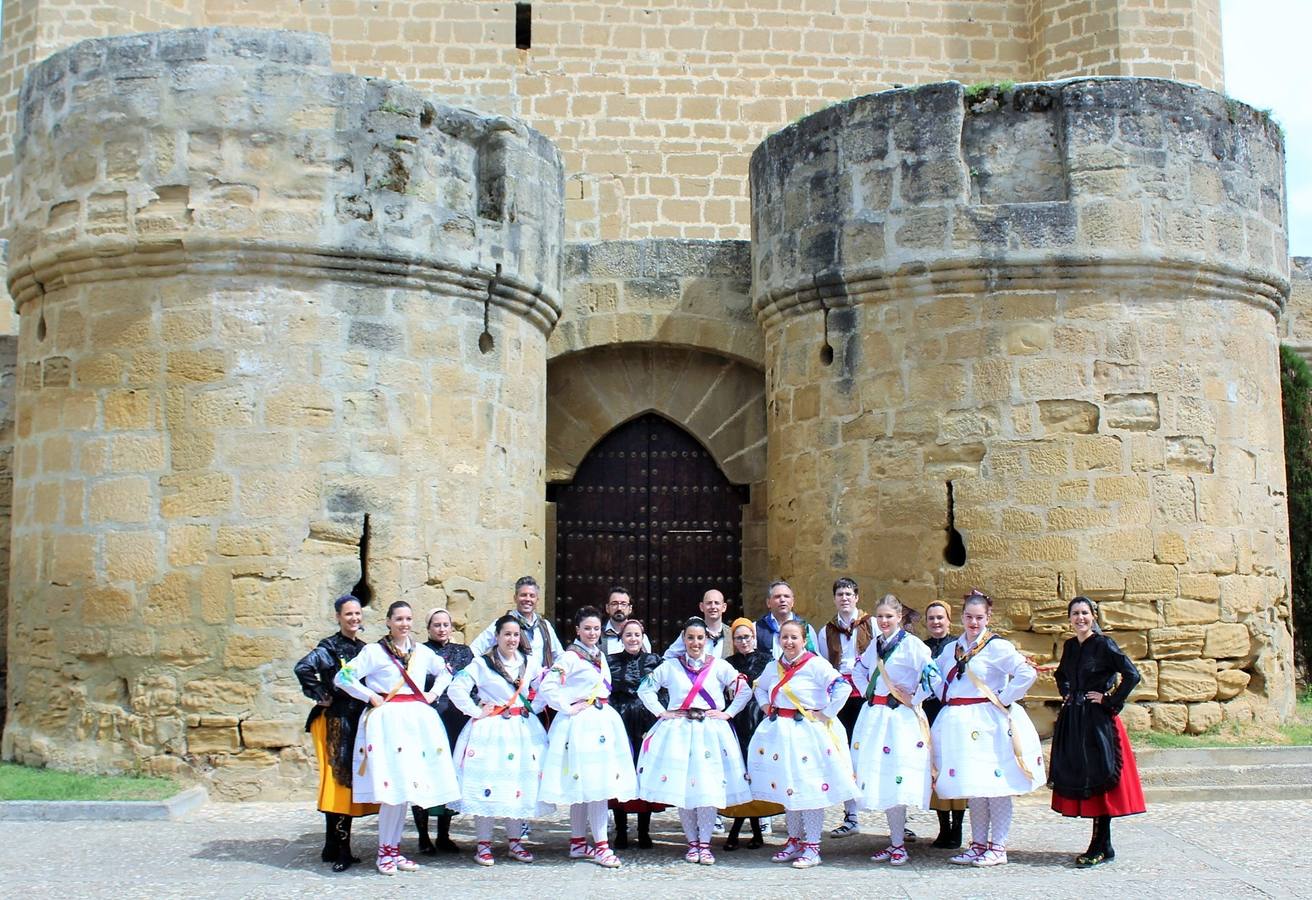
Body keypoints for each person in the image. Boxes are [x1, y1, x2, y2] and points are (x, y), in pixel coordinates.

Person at [335, 600, 462, 875]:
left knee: (404, 790)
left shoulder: (421, 652)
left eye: (408, 619)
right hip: (388, 722)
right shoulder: (374, 652)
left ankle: (394, 850)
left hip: (415, 722)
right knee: (391, 791)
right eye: (399, 619)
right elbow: (343, 678)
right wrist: (369, 695)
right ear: (388, 622)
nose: (404, 624)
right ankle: (385, 852)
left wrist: (433, 694)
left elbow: (446, 671)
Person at [929, 590, 1045, 868]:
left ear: (988, 617)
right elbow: (935, 676)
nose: (973, 623)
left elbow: (1026, 673)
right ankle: (978, 843)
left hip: (988, 721)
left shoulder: (997, 647)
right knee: (975, 785)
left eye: (979, 618)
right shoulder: (952, 648)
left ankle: (998, 846)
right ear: (962, 616)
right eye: (969, 617)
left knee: (996, 785)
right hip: (960, 722)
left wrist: (1003, 698)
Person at [636, 617, 753, 864]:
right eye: (690, 637)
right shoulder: (670, 666)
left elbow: (745, 690)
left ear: (706, 639)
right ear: (683, 638)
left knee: (707, 788)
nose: (695, 643)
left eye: (700, 638)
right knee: (684, 789)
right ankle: (692, 843)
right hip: (679, 732)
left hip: (710, 733)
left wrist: (728, 713)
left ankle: (705, 843)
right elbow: (645, 688)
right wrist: (661, 712)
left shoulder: (720, 666)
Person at [748, 619, 858, 869]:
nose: (788, 642)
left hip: (808, 735)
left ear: (803, 639)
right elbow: (759, 687)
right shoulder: (774, 667)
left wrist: (826, 713)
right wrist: (766, 706)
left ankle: (812, 846)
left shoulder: (816, 664)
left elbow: (842, 686)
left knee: (809, 790)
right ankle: (794, 841)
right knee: (789, 788)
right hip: (781, 734)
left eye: (793, 637)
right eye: (784, 637)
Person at [537, 605, 638, 869]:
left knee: (589, 784)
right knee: (593, 785)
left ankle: (578, 841)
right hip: (581, 725)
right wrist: (567, 706)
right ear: (577, 630)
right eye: (587, 629)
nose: (592, 633)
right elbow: (548, 685)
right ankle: (601, 846)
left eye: (595, 629)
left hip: (600, 721)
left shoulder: (599, 656)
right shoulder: (570, 657)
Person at [447, 614, 552, 866]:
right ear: (497, 637)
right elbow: (456, 688)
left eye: (516, 635)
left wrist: (534, 707)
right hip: (491, 731)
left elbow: (548, 687)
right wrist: (475, 711)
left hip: (522, 730)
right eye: (507, 634)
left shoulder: (530, 662)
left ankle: (515, 842)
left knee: (517, 784)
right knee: (489, 783)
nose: (512, 639)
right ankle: (483, 844)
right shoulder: (482, 664)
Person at [1049, 596, 1146, 867]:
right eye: (1075, 614)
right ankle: (1104, 845)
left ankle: (1100, 844)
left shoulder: (1104, 645)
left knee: (1100, 777)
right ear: (1069, 618)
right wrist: (1067, 693)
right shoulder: (1070, 645)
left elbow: (1132, 675)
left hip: (1097, 721)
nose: (1080, 618)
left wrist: (1110, 700)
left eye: (1084, 613)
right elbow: (1060, 675)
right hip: (1074, 719)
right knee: (1083, 776)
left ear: (1093, 616)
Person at [293, 594, 378, 872]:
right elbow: (303, 667)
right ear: (338, 617)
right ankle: (341, 849)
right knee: (339, 782)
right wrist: (320, 693)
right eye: (348, 614)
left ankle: (332, 845)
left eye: (357, 614)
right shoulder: (328, 648)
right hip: (336, 721)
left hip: (357, 719)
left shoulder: (365, 649)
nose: (354, 618)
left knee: (350, 780)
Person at [850, 594, 934, 866]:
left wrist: (915, 698)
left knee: (897, 775)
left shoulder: (912, 646)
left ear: (900, 617)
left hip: (900, 721)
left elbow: (933, 676)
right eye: (880, 616)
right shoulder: (874, 646)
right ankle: (894, 841)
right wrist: (868, 692)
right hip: (876, 717)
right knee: (882, 777)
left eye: (889, 616)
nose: (884, 621)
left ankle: (899, 844)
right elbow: (858, 671)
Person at [816, 577, 875, 838]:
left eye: (849, 593)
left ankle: (893, 814)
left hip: (868, 695)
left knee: (874, 751)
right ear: (834, 598)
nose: (844, 598)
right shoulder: (825, 631)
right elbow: (826, 667)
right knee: (846, 753)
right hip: (842, 699)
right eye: (839, 594)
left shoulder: (872, 624)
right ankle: (851, 815)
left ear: (857, 597)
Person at [413, 608, 474, 855]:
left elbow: (473, 683)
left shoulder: (463, 652)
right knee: (425, 774)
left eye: (445, 624)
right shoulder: (419, 653)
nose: (441, 629)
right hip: (429, 718)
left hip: (455, 720)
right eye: (436, 625)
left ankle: (443, 835)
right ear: (428, 628)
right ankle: (423, 836)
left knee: (449, 774)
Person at [720, 617, 782, 850]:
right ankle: (743, 830)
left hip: (759, 719)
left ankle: (748, 831)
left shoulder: (768, 661)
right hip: (737, 720)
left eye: (747, 637)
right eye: (738, 638)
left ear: (754, 638)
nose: (743, 641)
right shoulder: (728, 663)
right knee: (739, 772)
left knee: (756, 772)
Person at [606, 618, 664, 849]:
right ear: (622, 638)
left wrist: (659, 716)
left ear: (643, 638)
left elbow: (664, 689)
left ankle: (644, 831)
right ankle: (621, 831)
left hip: (646, 722)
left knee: (644, 773)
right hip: (620, 720)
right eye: (628, 635)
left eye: (637, 635)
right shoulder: (610, 662)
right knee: (621, 772)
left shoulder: (654, 661)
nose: (632, 639)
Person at [922, 599, 966, 848]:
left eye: (940, 617)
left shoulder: (958, 646)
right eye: (931, 618)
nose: (936, 622)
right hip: (929, 711)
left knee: (954, 767)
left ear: (949, 620)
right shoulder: (923, 647)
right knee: (935, 768)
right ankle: (943, 827)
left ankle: (957, 827)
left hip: (950, 711)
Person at [471, 576, 564, 669]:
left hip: (541, 681)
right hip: (513, 681)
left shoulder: (545, 625)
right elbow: (476, 648)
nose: (528, 599)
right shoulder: (502, 624)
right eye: (523, 595)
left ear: (537, 600)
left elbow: (559, 656)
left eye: (532, 596)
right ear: (515, 598)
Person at [755, 580, 819, 657]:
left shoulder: (806, 628)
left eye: (786, 596)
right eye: (777, 596)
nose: (782, 600)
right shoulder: (756, 628)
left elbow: (814, 657)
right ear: (768, 603)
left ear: (792, 602)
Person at [664, 589, 732, 659]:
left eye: (717, 603)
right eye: (709, 603)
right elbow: (668, 658)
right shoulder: (689, 633)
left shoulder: (731, 634)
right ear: (701, 606)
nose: (713, 606)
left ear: (724, 607)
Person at [603, 587, 652, 654]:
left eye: (623, 604)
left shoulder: (641, 637)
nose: (619, 608)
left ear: (630, 609)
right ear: (607, 608)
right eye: (614, 604)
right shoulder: (597, 636)